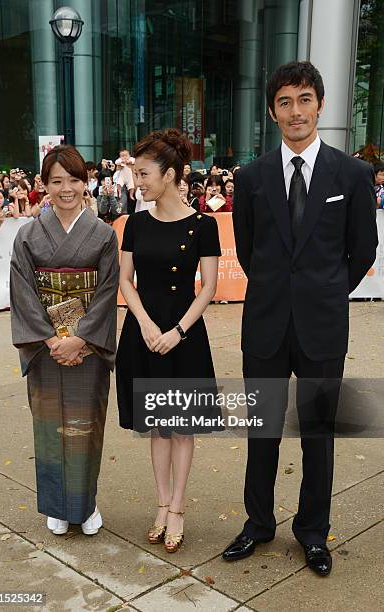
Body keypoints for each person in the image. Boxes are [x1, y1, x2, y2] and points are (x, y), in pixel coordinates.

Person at [223, 61, 378, 576]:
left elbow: (362, 249)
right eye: (285, 101)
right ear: (272, 111)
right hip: (265, 327)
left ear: (320, 105)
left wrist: (327, 292)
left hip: (322, 328)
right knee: (261, 432)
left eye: (305, 99)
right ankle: (258, 524)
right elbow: (248, 249)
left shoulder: (352, 174)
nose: (296, 111)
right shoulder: (251, 177)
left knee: (319, 436)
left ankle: (313, 533)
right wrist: (279, 292)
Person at [116, 128, 222, 553]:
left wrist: (178, 331)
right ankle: (161, 504)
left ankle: (178, 507)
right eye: (135, 175)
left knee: (181, 430)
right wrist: (143, 323)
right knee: (156, 429)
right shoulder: (135, 223)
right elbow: (126, 279)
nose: (137, 182)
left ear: (171, 174)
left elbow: (209, 287)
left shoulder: (204, 226)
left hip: (185, 337)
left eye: (143, 174)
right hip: (143, 333)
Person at [10, 144, 119, 537]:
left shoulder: (103, 234)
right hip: (47, 350)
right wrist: (52, 340)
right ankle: (57, 506)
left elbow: (108, 291)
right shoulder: (27, 235)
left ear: (86, 183)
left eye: (73, 180)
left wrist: (81, 340)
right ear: (44, 185)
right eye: (56, 181)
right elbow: (21, 291)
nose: (66, 188)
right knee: (51, 425)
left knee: (85, 424)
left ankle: (85, 505)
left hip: (85, 349)